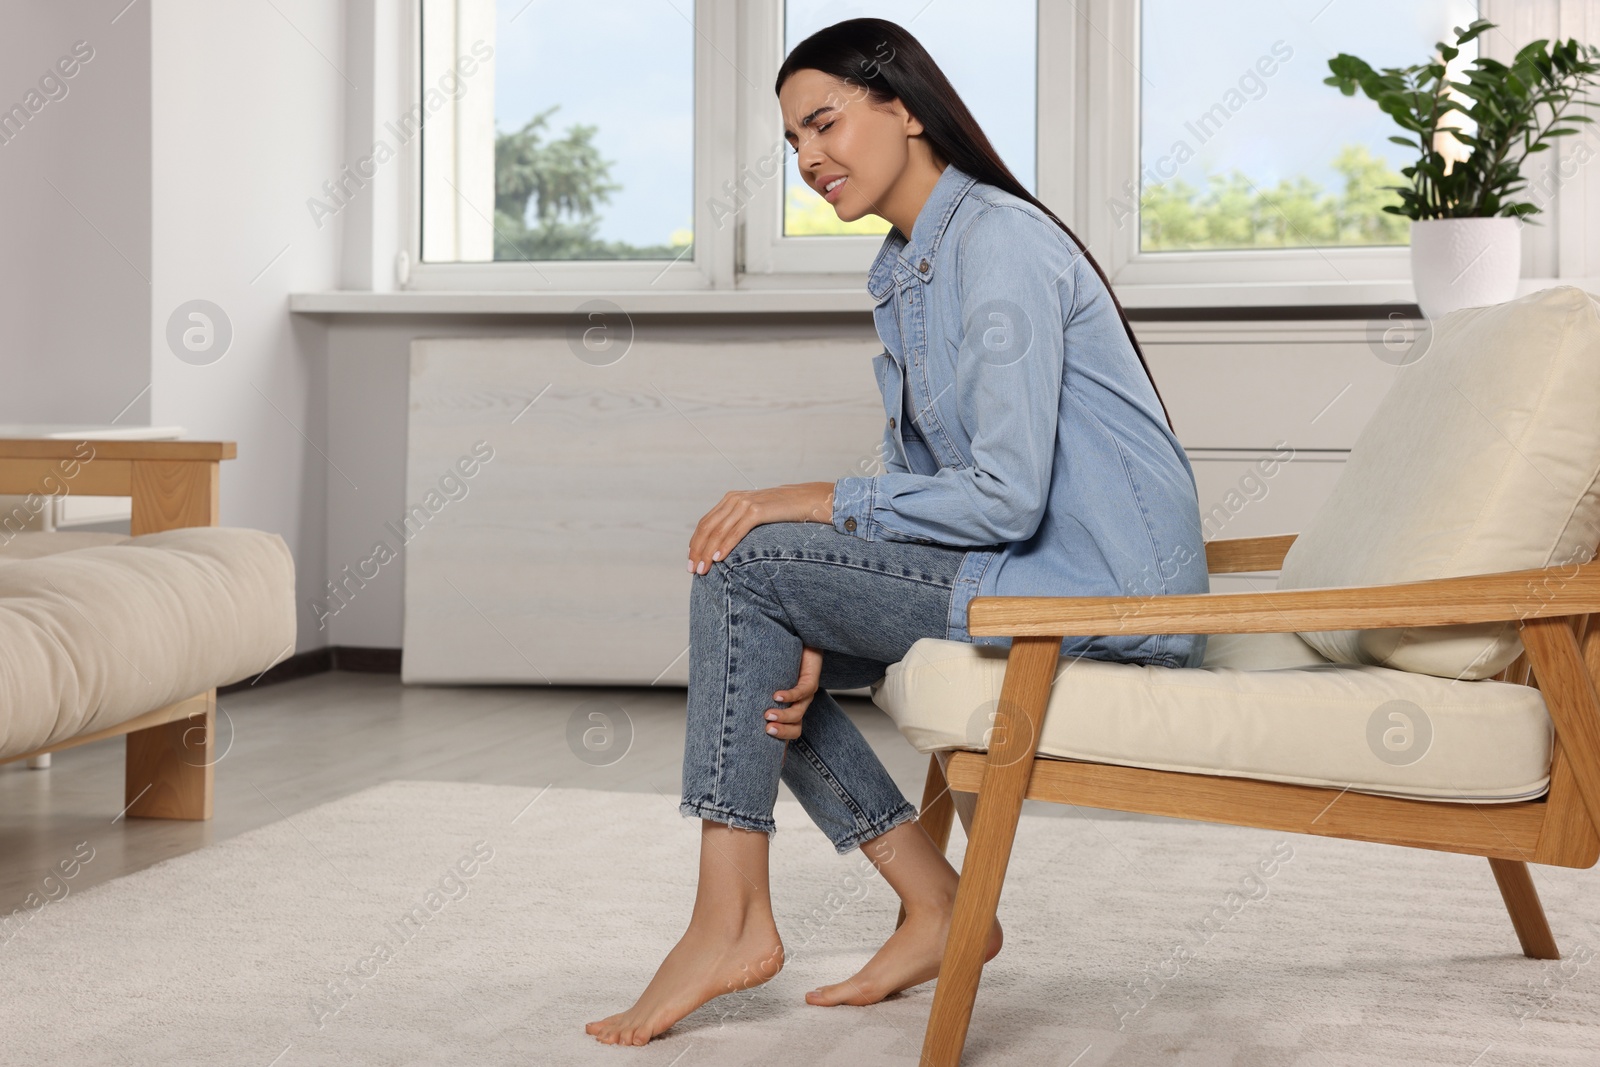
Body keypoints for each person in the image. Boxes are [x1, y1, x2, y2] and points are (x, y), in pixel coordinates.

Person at [586, 16, 1209, 1047]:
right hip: (1022, 572)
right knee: (762, 638)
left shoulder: (998, 242)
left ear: (905, 108)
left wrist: (820, 496)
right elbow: (941, 505)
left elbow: (1004, 496)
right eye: (791, 142)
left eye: (823, 123)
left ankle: (733, 919)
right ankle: (921, 904)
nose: (808, 159)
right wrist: (837, 604)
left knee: (745, 566)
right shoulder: (908, 264)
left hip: (1099, 586)